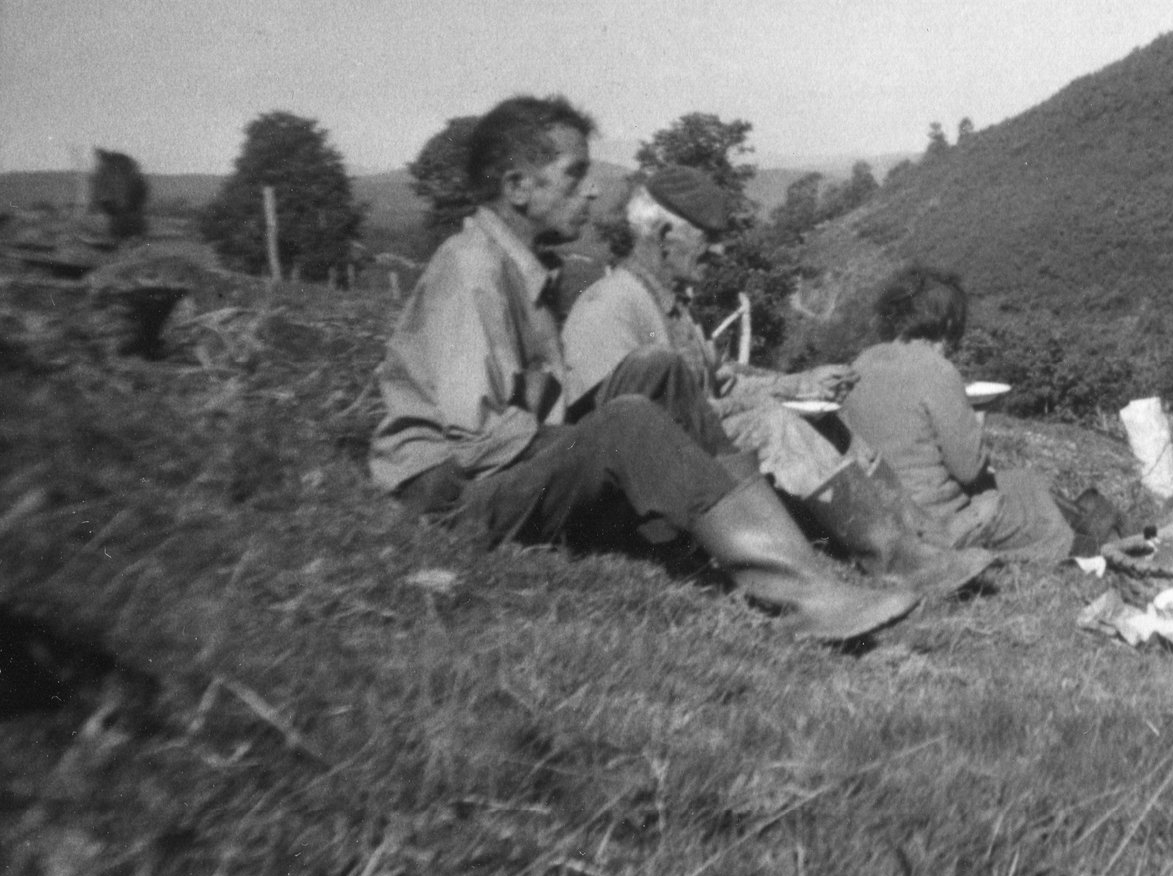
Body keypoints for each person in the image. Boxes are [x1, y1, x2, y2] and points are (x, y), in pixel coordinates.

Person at [367, 96, 914, 642]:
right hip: (450, 500)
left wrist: (594, 441)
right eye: (575, 174)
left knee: (659, 370)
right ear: (517, 187)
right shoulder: (472, 269)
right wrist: (599, 440)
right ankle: (801, 595)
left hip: (493, 471)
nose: (591, 190)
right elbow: (477, 441)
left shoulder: (524, 267)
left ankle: (779, 554)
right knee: (628, 422)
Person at [562, 170, 993, 600]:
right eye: (709, 238)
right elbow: (623, 432)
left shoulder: (670, 308)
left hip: (695, 463)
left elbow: (723, 384)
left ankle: (920, 537)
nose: (720, 251)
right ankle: (896, 559)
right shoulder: (610, 307)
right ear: (663, 236)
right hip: (644, 497)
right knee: (772, 425)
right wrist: (760, 408)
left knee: (827, 423)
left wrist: (798, 386)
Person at [841, 267, 1073, 562]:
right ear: (948, 323)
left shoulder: (861, 363)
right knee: (1033, 496)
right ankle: (1071, 550)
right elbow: (969, 469)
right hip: (934, 523)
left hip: (879, 515)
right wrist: (977, 415)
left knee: (1021, 482)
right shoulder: (938, 370)